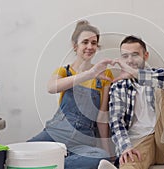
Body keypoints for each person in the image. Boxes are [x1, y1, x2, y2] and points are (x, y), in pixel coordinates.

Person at [28, 20, 114, 169]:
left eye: (94, 43)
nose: (90, 47)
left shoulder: (105, 74)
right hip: (56, 134)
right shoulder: (64, 71)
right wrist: (89, 74)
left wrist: (107, 151)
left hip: (83, 140)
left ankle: (53, 163)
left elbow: (101, 117)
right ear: (75, 46)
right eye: (85, 42)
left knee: (101, 157)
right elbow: (51, 87)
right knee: (20, 154)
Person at [98, 36, 164, 169]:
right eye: (125, 56)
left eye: (135, 55)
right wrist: (125, 147)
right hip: (140, 141)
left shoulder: (157, 76)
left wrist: (133, 72)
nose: (130, 60)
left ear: (145, 56)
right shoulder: (118, 86)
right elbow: (116, 121)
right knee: (130, 159)